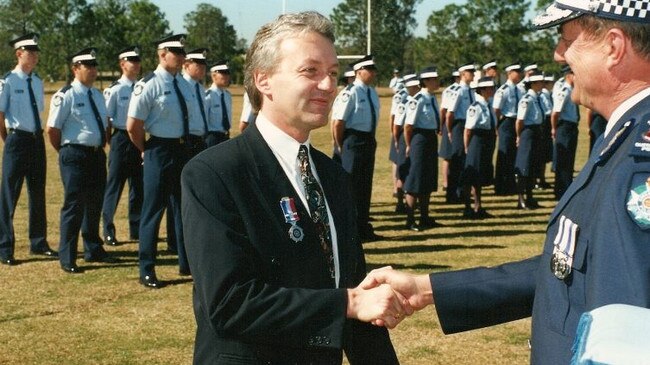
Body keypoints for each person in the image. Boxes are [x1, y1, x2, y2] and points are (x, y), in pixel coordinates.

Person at [360, 1, 650, 363]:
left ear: (613, 46)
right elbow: (567, 267)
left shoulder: (640, 162)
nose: (559, 55)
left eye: (566, 40)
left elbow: (629, 330)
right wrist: (428, 288)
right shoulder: (626, 136)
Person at [181, 11, 403, 364]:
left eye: (332, 73)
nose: (329, 85)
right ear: (264, 80)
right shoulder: (215, 173)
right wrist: (348, 303)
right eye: (310, 71)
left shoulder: (332, 176)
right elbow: (229, 304)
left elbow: (357, 297)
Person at [127, 34, 195, 288]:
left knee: (183, 208)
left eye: (181, 52)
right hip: (158, 148)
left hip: (181, 148)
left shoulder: (182, 84)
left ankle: (185, 263)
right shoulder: (149, 84)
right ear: (161, 54)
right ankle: (147, 269)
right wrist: (145, 149)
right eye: (174, 52)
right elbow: (133, 125)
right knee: (153, 210)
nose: (179, 56)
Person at [46, 48, 116, 273]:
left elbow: (104, 123)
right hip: (74, 154)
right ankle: (67, 255)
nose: (93, 70)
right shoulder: (65, 95)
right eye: (88, 66)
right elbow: (53, 129)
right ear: (75, 69)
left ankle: (92, 248)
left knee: (95, 203)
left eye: (95, 66)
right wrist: (67, 151)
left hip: (95, 154)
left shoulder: (96, 94)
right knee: (74, 205)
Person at [0, 33, 57, 265]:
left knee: (37, 192)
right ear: (18, 53)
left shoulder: (37, 81)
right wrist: (9, 140)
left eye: (36, 52)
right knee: (9, 195)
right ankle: (4, 246)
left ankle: (38, 241)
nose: (34, 56)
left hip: (36, 140)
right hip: (17, 139)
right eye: (29, 52)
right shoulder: (8, 81)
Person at [333, 55, 381, 242]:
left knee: (365, 185)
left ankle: (363, 226)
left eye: (374, 69)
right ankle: (350, 229)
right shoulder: (350, 92)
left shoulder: (371, 92)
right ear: (359, 72)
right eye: (369, 69)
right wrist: (340, 145)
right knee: (351, 185)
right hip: (352, 141)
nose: (373, 73)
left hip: (368, 140)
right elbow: (338, 123)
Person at [101, 46, 143, 247]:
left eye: (137, 60)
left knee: (138, 186)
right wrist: (111, 141)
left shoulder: (141, 86)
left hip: (136, 138)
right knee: (114, 187)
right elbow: (107, 118)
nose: (135, 64)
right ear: (122, 64)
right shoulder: (115, 89)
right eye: (131, 60)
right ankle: (108, 229)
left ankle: (136, 228)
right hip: (120, 138)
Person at [401, 67, 442, 231]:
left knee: (428, 177)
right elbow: (408, 125)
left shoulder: (432, 99)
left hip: (430, 138)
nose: (437, 82)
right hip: (419, 139)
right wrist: (410, 145)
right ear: (425, 81)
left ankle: (425, 216)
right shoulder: (416, 99)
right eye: (434, 79)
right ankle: (410, 219)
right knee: (415, 178)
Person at [462, 77, 497, 219]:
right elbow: (468, 130)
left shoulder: (488, 104)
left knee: (480, 174)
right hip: (477, 140)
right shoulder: (475, 107)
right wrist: (467, 147)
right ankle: (467, 207)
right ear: (482, 90)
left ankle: (478, 206)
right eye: (489, 88)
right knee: (471, 175)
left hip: (487, 140)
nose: (492, 90)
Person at [445, 63, 475, 204]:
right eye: (470, 72)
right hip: (459, 124)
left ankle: (463, 191)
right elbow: (450, 113)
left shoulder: (471, 90)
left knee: (465, 159)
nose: (473, 74)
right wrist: (450, 130)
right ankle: (452, 194)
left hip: (469, 124)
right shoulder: (458, 90)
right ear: (463, 74)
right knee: (457, 159)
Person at [514, 71, 545, 210]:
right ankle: (521, 198)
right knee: (524, 165)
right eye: (540, 82)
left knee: (533, 165)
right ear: (533, 84)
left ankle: (530, 196)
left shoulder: (537, 98)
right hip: (527, 132)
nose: (542, 85)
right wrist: (519, 135)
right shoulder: (526, 99)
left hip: (536, 132)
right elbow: (519, 120)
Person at [492, 62, 523, 195]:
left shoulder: (520, 89)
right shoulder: (503, 89)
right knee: (504, 153)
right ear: (509, 73)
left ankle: (511, 184)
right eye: (516, 71)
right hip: (506, 122)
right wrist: (497, 125)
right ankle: (501, 185)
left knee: (513, 154)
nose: (519, 74)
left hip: (517, 121)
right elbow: (497, 109)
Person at [551, 66, 580, 199]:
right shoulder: (564, 91)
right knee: (563, 160)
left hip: (572, 126)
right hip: (564, 126)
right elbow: (556, 112)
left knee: (569, 159)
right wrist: (554, 128)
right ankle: (561, 189)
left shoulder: (571, 90)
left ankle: (566, 186)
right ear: (569, 75)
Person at [388, 70, 409, 213]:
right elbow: (393, 117)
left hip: (406, 133)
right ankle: (397, 189)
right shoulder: (400, 96)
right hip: (400, 132)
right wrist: (393, 135)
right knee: (398, 161)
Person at [439, 70, 460, 195]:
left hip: (457, 125)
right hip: (450, 124)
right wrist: (442, 126)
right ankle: (446, 182)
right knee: (447, 155)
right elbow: (443, 110)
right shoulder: (450, 90)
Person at [330, 65, 355, 163]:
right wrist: (337, 142)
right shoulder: (346, 95)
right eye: (353, 78)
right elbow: (336, 122)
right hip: (343, 137)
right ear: (348, 79)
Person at [205, 60, 232, 148]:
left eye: (227, 73)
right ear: (213, 75)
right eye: (223, 73)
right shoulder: (208, 96)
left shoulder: (227, 95)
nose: (226, 76)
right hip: (212, 138)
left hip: (225, 136)